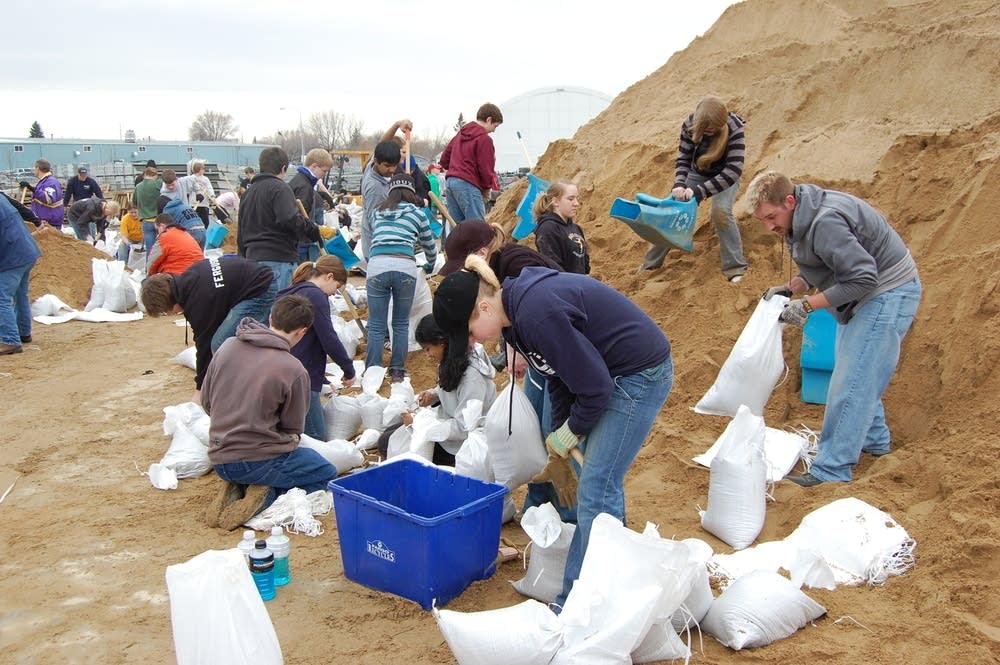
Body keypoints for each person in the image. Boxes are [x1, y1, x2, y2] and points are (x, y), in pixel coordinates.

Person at [432, 255, 673, 609]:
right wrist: (560, 428)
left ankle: (575, 602)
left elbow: (594, 389)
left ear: (484, 308)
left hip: (639, 376)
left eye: (468, 333)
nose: (471, 343)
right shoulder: (514, 320)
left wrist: (571, 430)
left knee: (596, 487)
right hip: (609, 373)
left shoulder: (535, 314)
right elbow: (558, 374)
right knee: (598, 483)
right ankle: (617, 572)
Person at [747, 170, 922, 486]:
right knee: (857, 373)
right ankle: (875, 443)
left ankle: (831, 471)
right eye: (763, 220)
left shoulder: (825, 221)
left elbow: (863, 278)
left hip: (887, 292)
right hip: (868, 292)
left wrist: (809, 304)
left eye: (771, 217)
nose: (769, 226)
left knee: (850, 383)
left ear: (789, 201)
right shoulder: (803, 213)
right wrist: (793, 286)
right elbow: (824, 261)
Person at [201, 294, 340, 530]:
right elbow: (293, 427)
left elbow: (206, 401)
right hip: (257, 457)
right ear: (302, 332)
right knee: (325, 472)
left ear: (270, 317)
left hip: (218, 454)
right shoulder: (293, 369)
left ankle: (239, 485)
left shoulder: (227, 346)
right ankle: (265, 495)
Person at [641, 95, 748, 282]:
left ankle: (735, 267)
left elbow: (733, 170)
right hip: (698, 172)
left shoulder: (735, 128)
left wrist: (699, 191)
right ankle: (650, 264)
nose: (707, 132)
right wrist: (680, 184)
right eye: (703, 129)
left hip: (725, 176)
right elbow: (683, 158)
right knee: (671, 211)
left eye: (711, 130)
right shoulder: (689, 124)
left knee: (720, 212)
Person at [140, 255, 274, 401]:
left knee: (219, 344)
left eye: (166, 311)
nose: (169, 314)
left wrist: (200, 388)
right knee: (236, 337)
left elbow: (204, 344)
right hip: (253, 278)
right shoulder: (188, 280)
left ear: (169, 303)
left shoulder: (199, 302)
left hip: (260, 288)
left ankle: (243, 386)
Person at [365, 173, 437, 382]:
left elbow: (374, 234)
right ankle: (397, 370)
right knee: (400, 322)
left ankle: (372, 371)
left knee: (377, 324)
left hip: (377, 266)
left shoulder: (377, 211)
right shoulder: (418, 213)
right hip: (405, 267)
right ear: (411, 191)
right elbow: (429, 246)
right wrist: (429, 265)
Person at [276, 256, 358, 440]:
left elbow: (306, 341)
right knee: (316, 436)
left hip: (283, 370)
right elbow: (328, 337)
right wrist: (348, 369)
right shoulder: (316, 296)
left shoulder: (293, 291)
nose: (332, 293)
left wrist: (324, 381)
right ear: (329, 276)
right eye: (336, 287)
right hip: (301, 375)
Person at [404, 313, 497, 466]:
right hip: (452, 433)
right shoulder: (451, 360)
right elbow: (451, 388)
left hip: (467, 446)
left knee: (410, 453)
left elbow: (465, 426)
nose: (428, 355)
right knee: (391, 438)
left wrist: (419, 425)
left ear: (442, 342)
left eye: (428, 349)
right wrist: (434, 394)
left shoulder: (471, 378)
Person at [237, 146, 323, 307]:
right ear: (283, 168)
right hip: (277, 259)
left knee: (258, 311)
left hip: (252, 260)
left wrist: (242, 260)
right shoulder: (280, 188)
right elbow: (288, 219)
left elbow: (241, 229)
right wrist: (310, 228)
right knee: (279, 314)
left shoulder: (248, 193)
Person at [439, 102, 503, 223]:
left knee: (457, 229)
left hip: (450, 183)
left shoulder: (460, 134)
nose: (494, 131)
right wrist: (486, 187)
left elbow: (444, 159)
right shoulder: (484, 139)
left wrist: (455, 168)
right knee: (477, 228)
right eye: (495, 126)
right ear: (489, 119)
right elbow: (485, 168)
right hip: (467, 184)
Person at [0, 194, 43, 355]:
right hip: (26, 250)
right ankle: (24, 333)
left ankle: (9, 340)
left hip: (13, 255)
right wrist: (37, 221)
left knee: (1, 297)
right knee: (20, 294)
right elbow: (19, 207)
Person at [533, 179, 590, 274]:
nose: (576, 203)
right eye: (571, 199)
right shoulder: (547, 229)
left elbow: (584, 264)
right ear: (555, 201)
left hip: (580, 284)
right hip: (564, 286)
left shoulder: (576, 228)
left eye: (577, 198)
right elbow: (554, 268)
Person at [289, 148, 334, 262]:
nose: (324, 175)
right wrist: (315, 229)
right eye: (324, 171)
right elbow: (299, 218)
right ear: (314, 166)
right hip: (300, 243)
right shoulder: (304, 186)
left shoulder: (299, 180)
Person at [360, 140, 401, 262]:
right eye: (387, 166)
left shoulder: (370, 167)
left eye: (395, 165)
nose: (392, 170)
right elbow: (376, 222)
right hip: (378, 247)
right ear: (376, 161)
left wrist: (397, 125)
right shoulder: (376, 188)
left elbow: (382, 141)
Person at [20, 158, 63, 229]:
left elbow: (48, 199)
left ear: (38, 168)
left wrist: (31, 188)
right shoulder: (44, 182)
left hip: (50, 224)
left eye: (35, 168)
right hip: (44, 223)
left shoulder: (51, 182)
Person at [134, 166, 164, 251]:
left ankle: (149, 264)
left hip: (146, 221)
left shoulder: (138, 187)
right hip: (159, 221)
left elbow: (135, 202)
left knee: (150, 251)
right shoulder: (158, 183)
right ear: (155, 175)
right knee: (161, 250)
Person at [187, 159, 215, 227]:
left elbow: (209, 188)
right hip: (193, 203)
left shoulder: (205, 179)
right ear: (198, 169)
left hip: (204, 204)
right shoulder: (190, 178)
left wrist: (212, 196)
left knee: (205, 222)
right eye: (203, 169)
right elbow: (188, 189)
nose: (204, 170)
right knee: (194, 222)